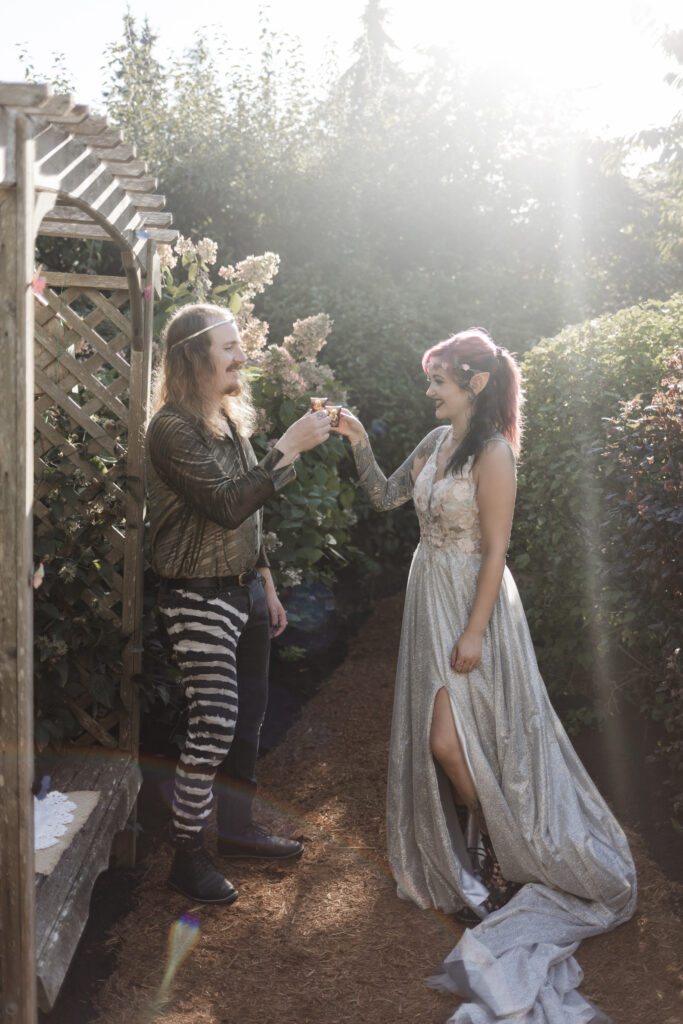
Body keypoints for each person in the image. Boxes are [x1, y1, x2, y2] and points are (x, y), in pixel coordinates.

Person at [333, 327, 636, 1023]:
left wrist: (473, 631)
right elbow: (383, 498)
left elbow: (496, 548)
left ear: (472, 383)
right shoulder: (434, 444)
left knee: (452, 742)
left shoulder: (493, 452)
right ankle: (490, 855)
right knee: (445, 739)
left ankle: (501, 855)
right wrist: (355, 439)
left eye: (438, 379)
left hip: (472, 602)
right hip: (425, 593)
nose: (429, 390)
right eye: (430, 378)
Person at [146, 303, 331, 905]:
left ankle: (239, 829)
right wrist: (288, 447)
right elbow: (225, 504)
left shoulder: (226, 418)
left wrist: (267, 584)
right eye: (227, 347)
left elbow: (250, 516)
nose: (241, 356)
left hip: (244, 591)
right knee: (216, 720)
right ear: (193, 356)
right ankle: (187, 857)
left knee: (247, 719)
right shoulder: (172, 428)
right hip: (196, 596)